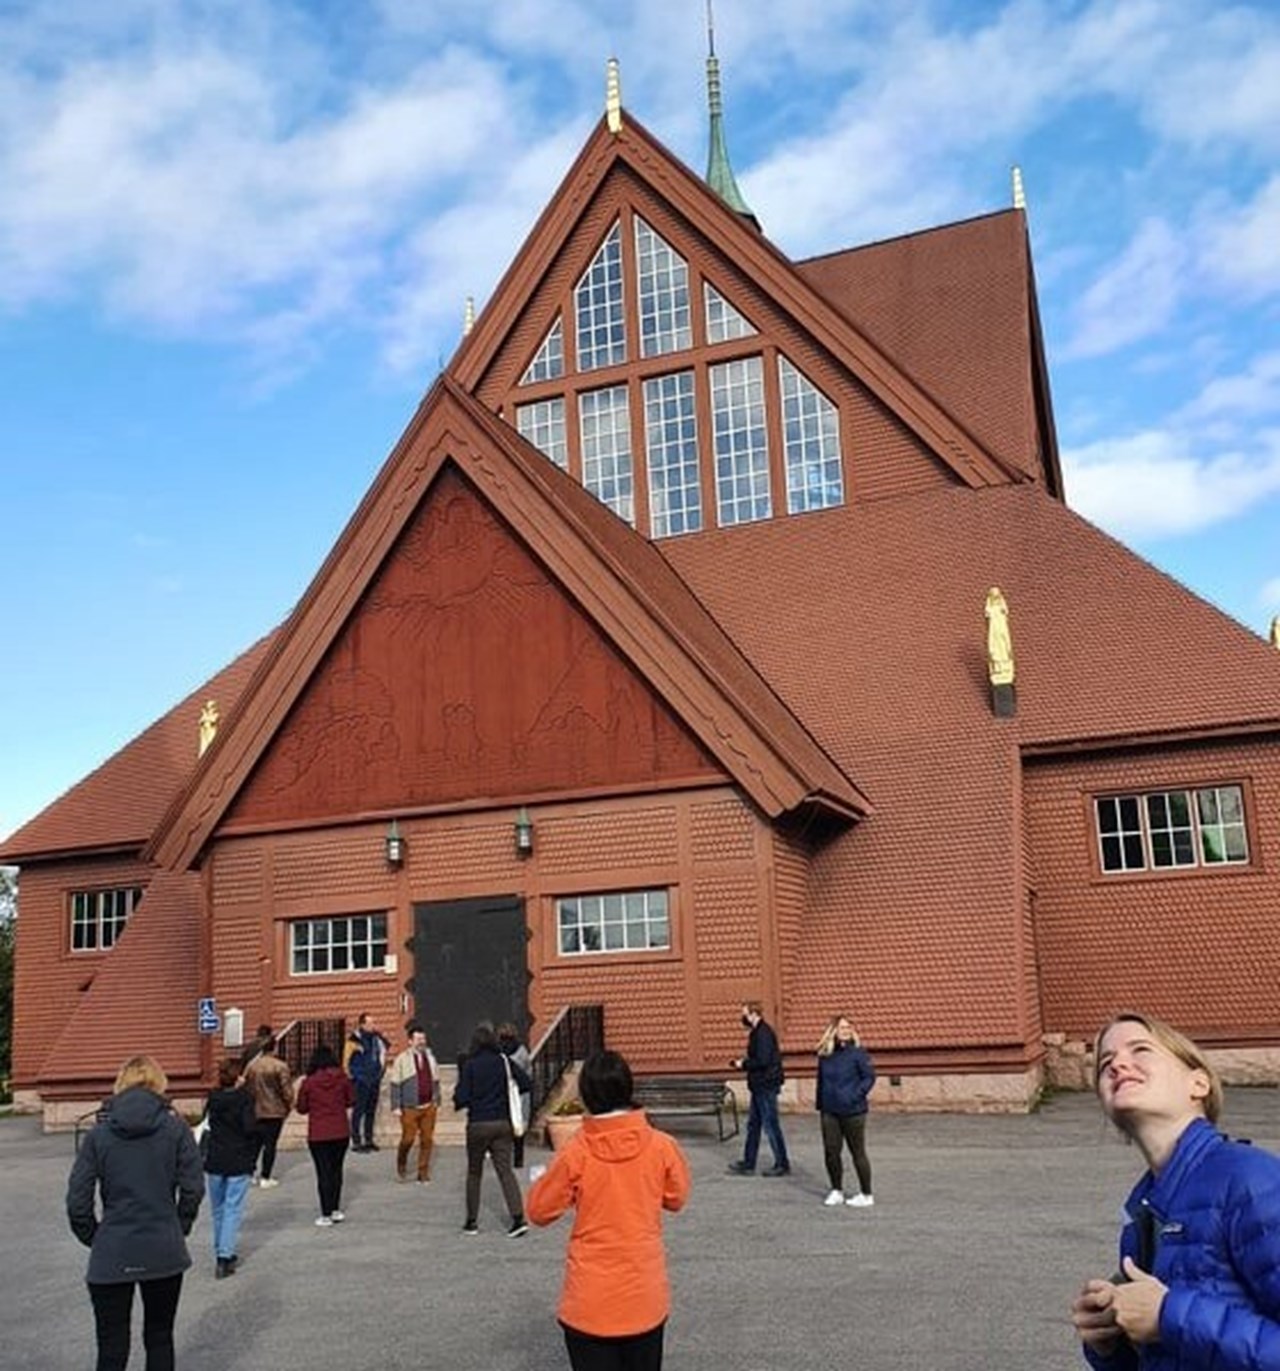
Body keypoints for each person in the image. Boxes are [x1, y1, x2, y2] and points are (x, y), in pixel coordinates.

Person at [1071, 1011, 1280, 1370]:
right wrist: (1111, 1343)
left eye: (1140, 1050)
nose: (1118, 1064)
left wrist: (1168, 1315)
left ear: (1198, 1084)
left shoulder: (1250, 1179)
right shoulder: (1142, 1213)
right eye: (1106, 1061)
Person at [528, 1049, 691, 1371]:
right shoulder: (662, 1146)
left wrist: (547, 1181)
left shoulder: (575, 1152)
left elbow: (538, 1211)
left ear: (586, 1094)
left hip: (590, 1298)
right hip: (644, 1295)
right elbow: (676, 1198)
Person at [66, 1054, 204, 1371]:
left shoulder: (98, 1135)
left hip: (113, 1248)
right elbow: (193, 1186)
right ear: (159, 1084)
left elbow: (78, 1199)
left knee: (112, 1347)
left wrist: (94, 1237)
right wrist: (179, 1224)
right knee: (159, 1337)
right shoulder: (176, 1129)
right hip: (162, 1245)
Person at [453, 1021, 531, 1236]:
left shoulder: (470, 1065)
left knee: (474, 1171)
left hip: (478, 1123)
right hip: (502, 1123)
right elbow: (526, 1083)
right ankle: (518, 1218)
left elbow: (461, 1097)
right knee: (505, 1170)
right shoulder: (503, 1062)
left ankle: (471, 1221)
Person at [203, 1057, 258, 1278]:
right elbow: (249, 1128)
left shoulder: (213, 1098)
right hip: (238, 1158)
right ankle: (226, 1255)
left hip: (216, 1158)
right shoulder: (244, 1099)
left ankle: (220, 1251)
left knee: (217, 1209)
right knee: (232, 1208)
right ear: (238, 1076)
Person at [815, 1013, 876, 1207]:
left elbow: (869, 1078)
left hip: (854, 1111)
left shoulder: (858, 1053)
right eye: (842, 1028)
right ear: (833, 1031)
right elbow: (820, 1081)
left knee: (857, 1152)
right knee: (831, 1153)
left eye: (848, 1028)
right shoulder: (825, 1055)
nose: (846, 1031)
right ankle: (836, 1190)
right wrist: (821, 1104)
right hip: (829, 1111)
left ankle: (866, 1194)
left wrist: (854, 1095)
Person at [727, 1001, 790, 1177]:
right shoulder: (758, 1032)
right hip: (760, 1085)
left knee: (770, 1125)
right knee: (754, 1125)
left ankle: (782, 1163)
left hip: (766, 1085)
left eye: (745, 1014)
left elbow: (762, 1060)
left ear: (754, 1014)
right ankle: (748, 1162)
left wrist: (743, 1064)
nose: (743, 1018)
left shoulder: (762, 1033)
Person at [295, 1042, 355, 1226]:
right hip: (340, 1130)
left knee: (323, 1172)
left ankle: (325, 1213)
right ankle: (336, 1209)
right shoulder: (342, 1078)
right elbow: (351, 1100)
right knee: (336, 1170)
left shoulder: (309, 1082)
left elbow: (302, 1108)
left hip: (318, 1133)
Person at [387, 1020, 441, 1183]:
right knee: (408, 1139)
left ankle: (422, 1173)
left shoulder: (430, 1058)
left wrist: (437, 1099)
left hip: (428, 1106)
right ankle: (401, 1162)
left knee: (427, 1140)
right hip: (409, 1107)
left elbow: (436, 1079)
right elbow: (395, 1083)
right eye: (418, 1039)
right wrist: (396, 1105)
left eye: (423, 1039)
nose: (421, 1042)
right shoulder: (402, 1059)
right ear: (410, 1041)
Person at [243, 1033, 294, 1189]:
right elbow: (286, 1090)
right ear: (274, 1047)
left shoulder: (252, 1067)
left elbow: (247, 1087)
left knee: (255, 1144)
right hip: (274, 1110)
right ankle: (265, 1176)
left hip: (256, 1109)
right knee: (270, 1144)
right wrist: (289, 1104)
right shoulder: (280, 1066)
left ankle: (249, 1173)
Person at [344, 1012, 390, 1152]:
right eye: (369, 1023)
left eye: (373, 1023)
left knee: (371, 1111)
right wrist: (353, 1077)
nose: (372, 1026)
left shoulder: (377, 1039)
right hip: (360, 1080)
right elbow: (346, 1061)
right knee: (358, 1111)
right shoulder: (354, 1040)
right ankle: (356, 1140)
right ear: (362, 1024)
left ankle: (369, 1139)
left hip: (374, 1079)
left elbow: (383, 1056)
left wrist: (380, 1074)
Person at [498, 1021, 533, 1168]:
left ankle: (503, 1156)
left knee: (504, 1123)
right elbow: (528, 1072)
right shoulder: (522, 1051)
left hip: (504, 1092)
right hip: (519, 1092)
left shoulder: (498, 1051)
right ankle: (518, 1159)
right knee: (519, 1124)